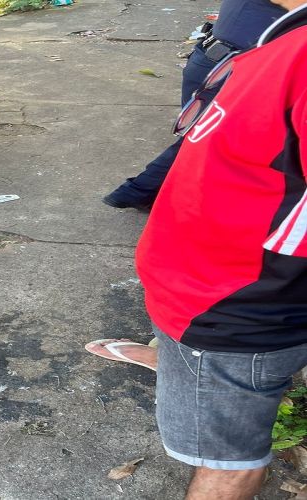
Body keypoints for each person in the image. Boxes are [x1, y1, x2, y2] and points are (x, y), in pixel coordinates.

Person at [93, 2, 307, 497]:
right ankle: (170, 361)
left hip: (232, 314)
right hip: (197, 291)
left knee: (227, 465)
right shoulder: (284, 35)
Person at [102, 0, 286, 211]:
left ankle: (165, 192)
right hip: (229, 68)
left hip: (210, 59)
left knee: (202, 138)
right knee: (201, 139)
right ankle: (137, 191)